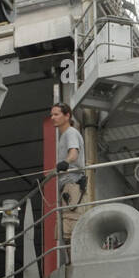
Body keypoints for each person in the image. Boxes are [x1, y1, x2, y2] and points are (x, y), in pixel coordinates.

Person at [50, 103, 86, 246]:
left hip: (72, 184)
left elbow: (74, 153)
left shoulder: (70, 132)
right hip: (67, 185)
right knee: (66, 227)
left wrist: (66, 162)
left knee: (71, 226)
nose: (52, 117)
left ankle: (73, 263)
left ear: (67, 116)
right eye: (52, 115)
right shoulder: (64, 135)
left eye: (56, 114)